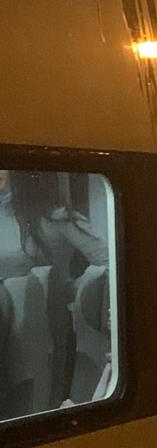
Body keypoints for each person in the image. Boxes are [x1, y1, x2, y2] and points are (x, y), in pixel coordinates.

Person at [0, 169, 109, 406]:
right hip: (3, 329)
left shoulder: (53, 216)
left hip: (44, 328)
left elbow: (111, 259)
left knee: (34, 407)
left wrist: (79, 291)